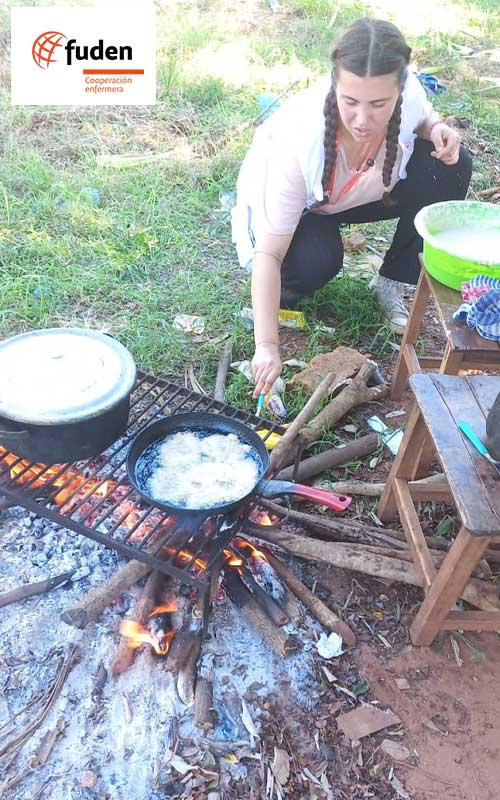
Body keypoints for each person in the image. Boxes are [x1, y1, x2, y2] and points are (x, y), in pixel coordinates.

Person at [230, 17, 472, 398]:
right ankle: (287, 295)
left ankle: (391, 281)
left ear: (398, 90)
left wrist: (437, 128)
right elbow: (269, 254)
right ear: (335, 85)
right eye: (350, 102)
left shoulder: (407, 92)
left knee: (450, 166)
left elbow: (423, 117)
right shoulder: (299, 144)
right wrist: (267, 347)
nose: (362, 120)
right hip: (305, 206)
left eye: (378, 104)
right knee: (316, 261)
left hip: (361, 185)